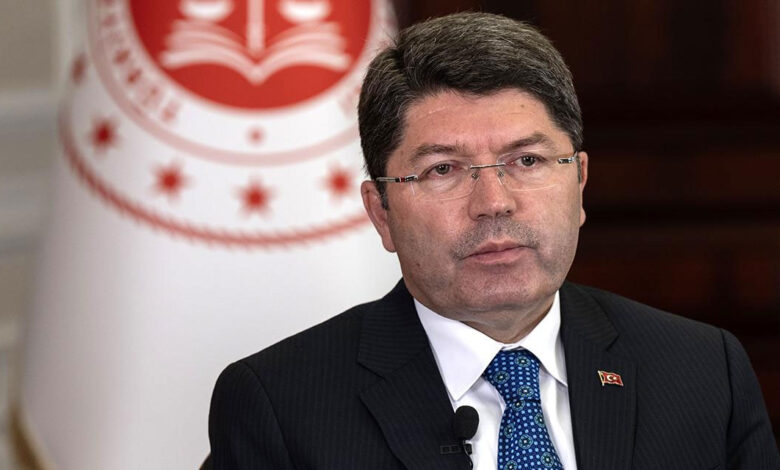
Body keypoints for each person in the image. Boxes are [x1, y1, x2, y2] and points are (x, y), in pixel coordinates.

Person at [208, 12, 780, 470]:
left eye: (526, 160)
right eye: (443, 169)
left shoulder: (702, 370)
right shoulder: (280, 406)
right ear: (381, 212)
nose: (494, 201)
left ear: (580, 183)